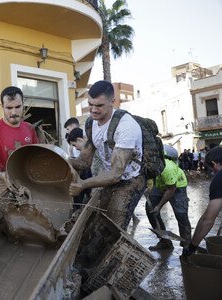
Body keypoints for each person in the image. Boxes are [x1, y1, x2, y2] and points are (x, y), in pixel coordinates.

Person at [68, 80, 145, 230]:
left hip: (130, 179)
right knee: (93, 220)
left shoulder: (126, 126)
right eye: (90, 104)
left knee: (112, 226)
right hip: (107, 176)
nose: (93, 110)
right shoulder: (90, 124)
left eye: (99, 105)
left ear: (112, 102)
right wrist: (64, 161)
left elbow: (116, 174)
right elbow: (84, 161)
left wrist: (83, 184)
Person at [0, 86, 38, 199]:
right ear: (2, 107)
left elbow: (36, 155)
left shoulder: (29, 128)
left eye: (18, 107)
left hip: (29, 182)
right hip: (4, 186)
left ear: (23, 104)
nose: (14, 112)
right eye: (9, 108)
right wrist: (1, 175)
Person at [146, 145, 191, 251]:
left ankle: (187, 245)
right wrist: (147, 188)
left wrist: (159, 206)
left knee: (181, 215)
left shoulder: (167, 167)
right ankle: (164, 241)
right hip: (160, 184)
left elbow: (171, 189)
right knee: (150, 210)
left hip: (177, 186)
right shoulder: (148, 164)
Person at [182, 146, 222, 258]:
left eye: (212, 169)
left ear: (214, 164)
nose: (213, 173)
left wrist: (192, 247)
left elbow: (209, 219)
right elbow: (205, 217)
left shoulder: (220, 177)